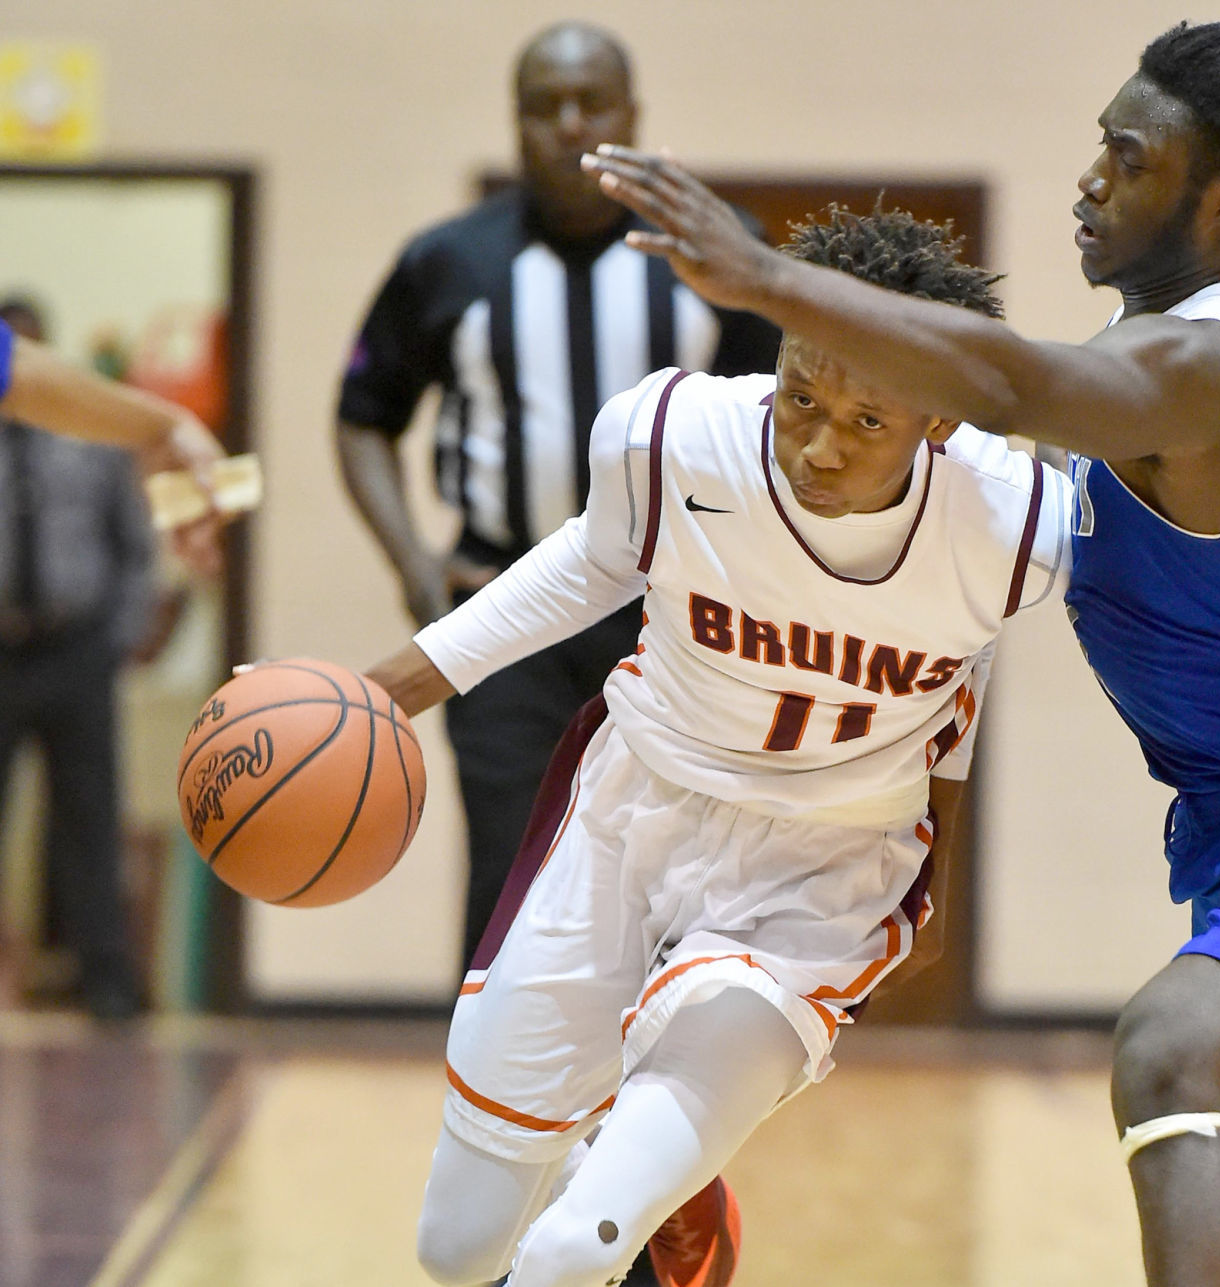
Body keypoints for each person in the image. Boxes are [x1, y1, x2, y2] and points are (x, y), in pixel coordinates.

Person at [582, 3, 1220, 1285]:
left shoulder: (1195, 365)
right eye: (1101, 144)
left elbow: (1013, 385)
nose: (1091, 177)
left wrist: (769, 283)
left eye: (1130, 159)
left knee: (1165, 1056)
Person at [363, 207, 1070, 1287]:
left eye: (867, 423)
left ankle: (651, 1187)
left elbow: (965, 673)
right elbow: (592, 564)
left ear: (938, 424)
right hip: (631, 815)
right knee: (454, 1250)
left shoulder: (1014, 520)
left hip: (819, 874)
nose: (820, 445)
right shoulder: (670, 437)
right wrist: (388, 688)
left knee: (564, 1255)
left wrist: (938, 877)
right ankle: (674, 1185)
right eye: (800, 398)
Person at [336, 19, 781, 985]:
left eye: (592, 103)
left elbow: (778, 430)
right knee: (512, 876)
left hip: (673, 623)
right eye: (544, 107)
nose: (568, 124)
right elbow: (361, 415)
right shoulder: (449, 262)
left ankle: (636, 1122)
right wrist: (415, 565)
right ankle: (497, 1120)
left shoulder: (718, 255)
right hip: (503, 618)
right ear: (514, 121)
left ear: (632, 118)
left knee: (672, 880)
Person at [0, 297, 158, 1020]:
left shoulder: (91, 441)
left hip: (75, 651)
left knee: (89, 819)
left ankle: (107, 984)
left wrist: (119, 638)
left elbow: (134, 547)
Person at [0, 305, 223, 577]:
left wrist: (165, 428)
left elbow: (16, 370)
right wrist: (167, 429)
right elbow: (19, 371)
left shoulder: (89, 450)